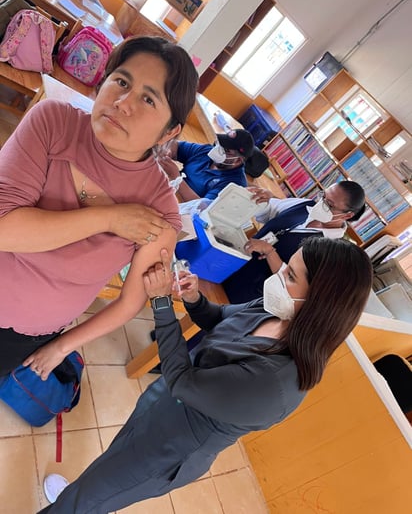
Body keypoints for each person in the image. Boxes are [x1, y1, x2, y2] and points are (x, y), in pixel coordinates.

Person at [38, 237, 373, 513]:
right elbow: (221, 318)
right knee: (104, 474)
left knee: (90, 499)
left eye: (291, 276)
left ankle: (77, 501)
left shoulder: (277, 383)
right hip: (161, 409)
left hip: (169, 449)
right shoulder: (277, 310)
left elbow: (185, 381)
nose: (278, 276)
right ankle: (83, 493)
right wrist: (194, 299)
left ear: (319, 304)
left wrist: (161, 304)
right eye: (286, 266)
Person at [0, 35, 198, 380]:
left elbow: (129, 302)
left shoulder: (160, 213)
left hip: (20, 334)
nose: (123, 103)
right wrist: (109, 218)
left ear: (170, 132)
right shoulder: (53, 121)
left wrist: (61, 347)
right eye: (121, 81)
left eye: (148, 99)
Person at [223, 180, 366, 303]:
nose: (320, 204)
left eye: (329, 204)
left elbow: (296, 286)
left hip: (246, 292)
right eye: (323, 196)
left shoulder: (330, 250)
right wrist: (262, 200)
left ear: (347, 215)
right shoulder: (306, 205)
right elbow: (270, 210)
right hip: (231, 262)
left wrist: (270, 252)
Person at [156, 128, 257, 201]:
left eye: (226, 150)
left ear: (238, 160)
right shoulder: (206, 151)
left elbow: (201, 208)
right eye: (219, 144)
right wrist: (168, 150)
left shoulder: (234, 185)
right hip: (166, 190)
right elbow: (176, 145)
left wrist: (176, 178)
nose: (217, 150)